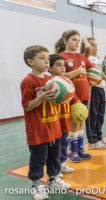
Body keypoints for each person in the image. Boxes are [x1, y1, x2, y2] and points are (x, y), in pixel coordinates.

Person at [21, 45, 71, 200]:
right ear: (30, 61)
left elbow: (59, 100)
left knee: (54, 156)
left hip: (54, 126)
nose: (46, 61)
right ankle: (36, 184)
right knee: (38, 157)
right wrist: (41, 98)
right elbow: (27, 105)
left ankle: (54, 178)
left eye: (48, 58)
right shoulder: (28, 81)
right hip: (38, 129)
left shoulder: (53, 80)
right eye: (42, 58)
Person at [56, 30, 92, 161]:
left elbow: (92, 68)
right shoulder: (61, 57)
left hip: (85, 94)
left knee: (81, 121)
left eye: (78, 40)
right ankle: (72, 152)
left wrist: (100, 77)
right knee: (73, 123)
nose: (77, 42)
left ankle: (80, 148)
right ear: (65, 41)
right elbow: (59, 76)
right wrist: (77, 71)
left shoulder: (82, 57)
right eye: (73, 39)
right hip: (71, 96)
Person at [80, 37, 106, 149]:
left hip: (100, 88)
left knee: (100, 115)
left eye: (96, 44)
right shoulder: (85, 58)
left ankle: (99, 137)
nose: (95, 47)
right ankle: (92, 142)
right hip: (92, 89)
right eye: (92, 45)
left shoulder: (97, 58)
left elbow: (101, 71)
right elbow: (95, 71)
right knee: (92, 116)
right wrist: (84, 39)